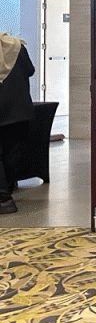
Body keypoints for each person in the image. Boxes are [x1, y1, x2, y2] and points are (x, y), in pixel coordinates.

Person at [0, 33, 36, 215]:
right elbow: (30, 70)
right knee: (11, 153)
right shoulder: (17, 47)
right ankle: (7, 193)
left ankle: (4, 199)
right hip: (20, 110)